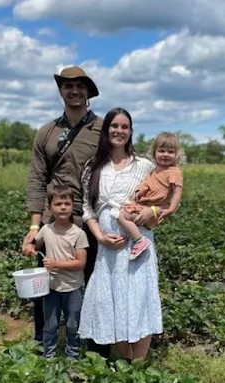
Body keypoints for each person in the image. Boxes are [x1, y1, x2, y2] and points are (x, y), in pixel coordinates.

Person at [21, 66, 109, 357]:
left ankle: (92, 346)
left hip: (90, 220)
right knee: (45, 283)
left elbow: (118, 165)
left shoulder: (102, 129)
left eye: (80, 86)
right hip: (51, 220)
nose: (74, 91)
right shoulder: (47, 131)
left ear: (88, 92)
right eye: (68, 86)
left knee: (92, 280)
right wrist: (35, 227)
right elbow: (37, 178)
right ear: (61, 91)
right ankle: (43, 343)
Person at [78, 107, 163, 363]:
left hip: (137, 245)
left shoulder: (144, 166)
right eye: (114, 126)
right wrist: (100, 236)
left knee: (139, 300)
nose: (119, 131)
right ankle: (126, 360)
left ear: (131, 132)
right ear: (106, 131)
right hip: (108, 250)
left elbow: (162, 198)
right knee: (109, 303)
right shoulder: (93, 167)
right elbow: (87, 208)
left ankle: (137, 365)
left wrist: (150, 212)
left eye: (125, 127)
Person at [24, 185, 88, 359]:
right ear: (50, 208)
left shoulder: (78, 233)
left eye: (67, 203)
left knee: (73, 324)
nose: (63, 207)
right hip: (51, 287)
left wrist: (56, 264)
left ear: (73, 206)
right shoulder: (47, 230)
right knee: (50, 324)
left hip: (73, 287)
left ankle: (72, 357)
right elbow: (35, 245)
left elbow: (81, 262)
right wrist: (29, 246)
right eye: (58, 203)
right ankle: (49, 356)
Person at [118, 132, 183, 260]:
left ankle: (139, 240)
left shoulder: (174, 172)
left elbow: (177, 193)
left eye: (170, 152)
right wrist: (139, 192)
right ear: (154, 153)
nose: (165, 154)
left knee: (121, 215)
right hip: (146, 206)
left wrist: (170, 210)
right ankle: (135, 238)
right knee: (126, 211)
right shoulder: (155, 170)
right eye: (161, 151)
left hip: (154, 210)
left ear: (176, 155)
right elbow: (146, 184)